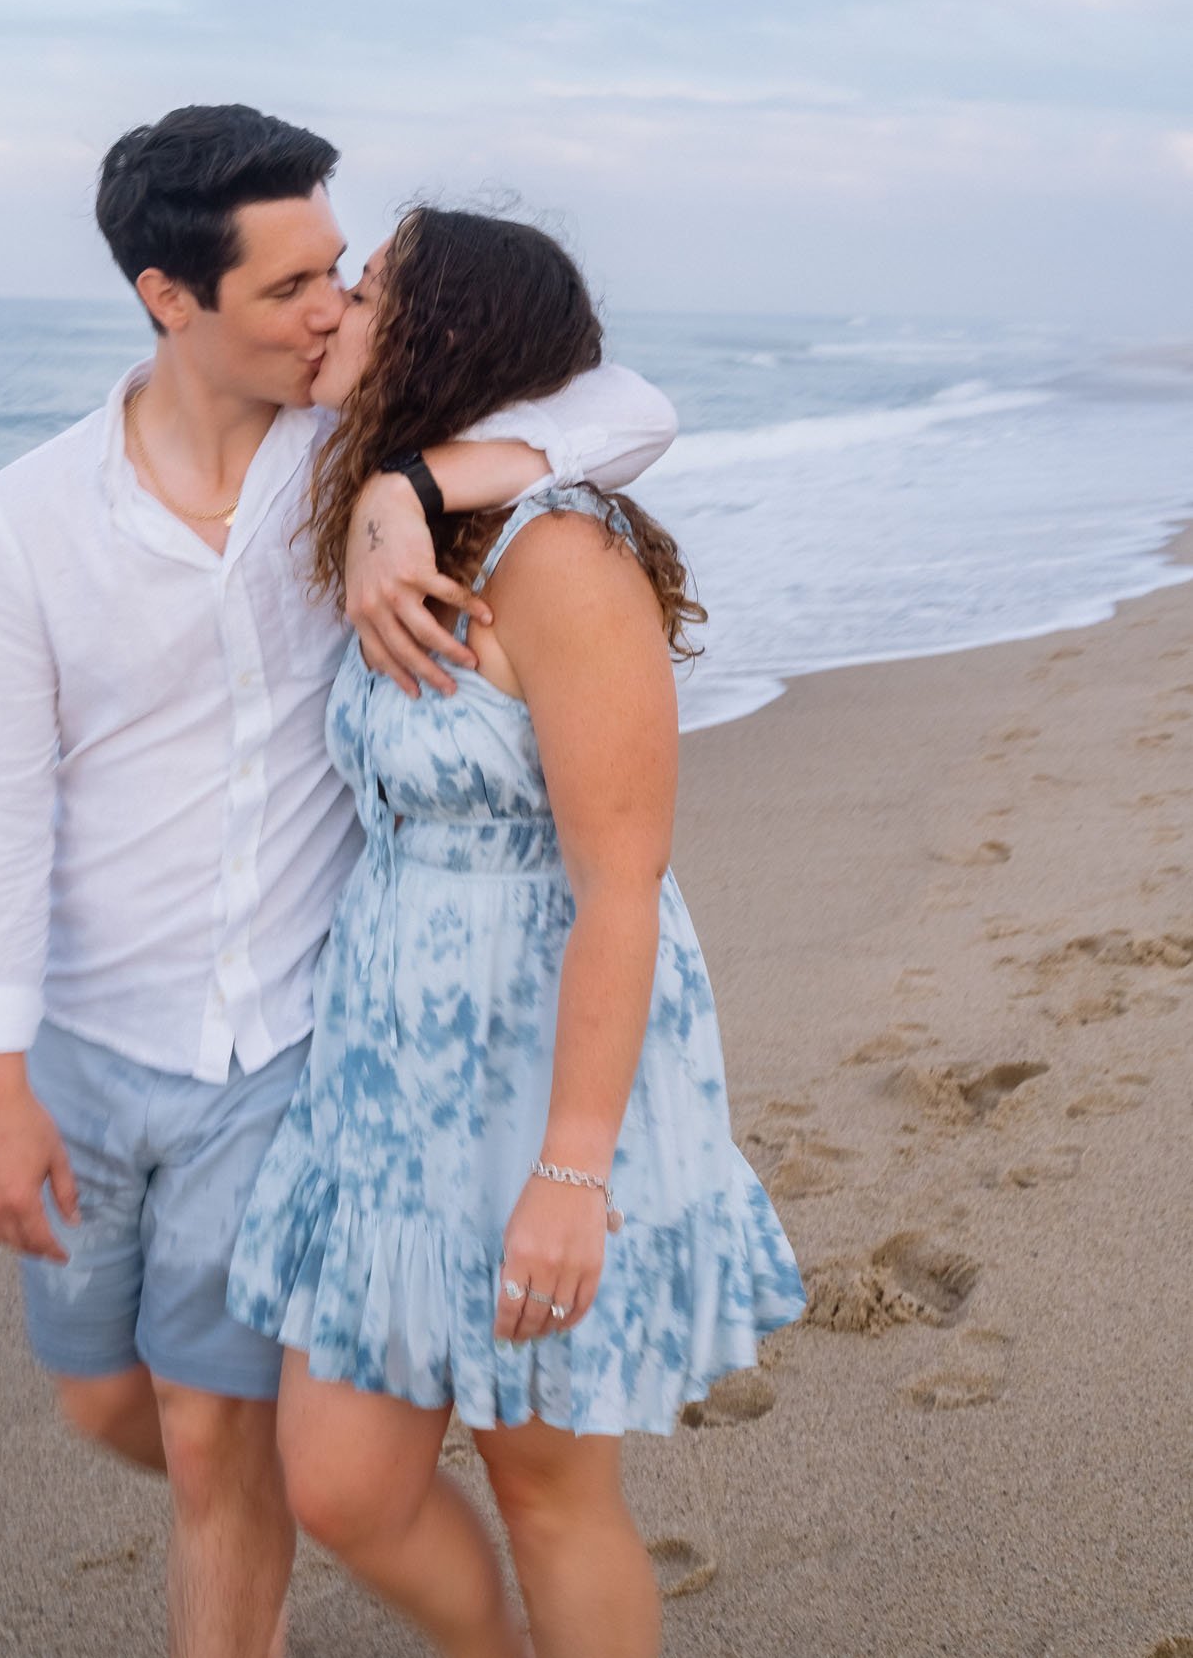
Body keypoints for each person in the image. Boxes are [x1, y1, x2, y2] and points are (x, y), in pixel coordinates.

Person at [0, 106, 679, 1658]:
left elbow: (634, 405)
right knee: (189, 1429)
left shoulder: (359, 471)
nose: (335, 308)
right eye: (297, 287)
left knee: (345, 1461)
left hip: (367, 1044)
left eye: (348, 277)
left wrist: (410, 478)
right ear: (169, 297)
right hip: (226, 1053)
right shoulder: (40, 518)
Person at [227, 206, 807, 1658]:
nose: (334, 307)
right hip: (386, 1068)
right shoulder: (372, 507)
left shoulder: (555, 556)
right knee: (344, 1484)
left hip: (544, 1062)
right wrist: (395, 486)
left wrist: (571, 1171)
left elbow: (623, 877)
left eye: (366, 289)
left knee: (548, 1487)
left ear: (444, 334)